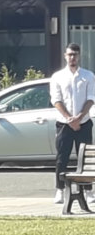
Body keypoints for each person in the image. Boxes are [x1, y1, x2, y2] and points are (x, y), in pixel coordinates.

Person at [51, 43, 95, 204]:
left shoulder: (88, 75)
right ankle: (60, 190)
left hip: (83, 123)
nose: (72, 58)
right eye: (70, 55)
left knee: (85, 159)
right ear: (65, 56)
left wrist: (79, 117)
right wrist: (69, 118)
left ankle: (88, 191)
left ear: (79, 56)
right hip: (64, 124)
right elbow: (56, 100)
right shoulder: (58, 77)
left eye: (75, 55)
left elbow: (91, 98)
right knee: (62, 157)